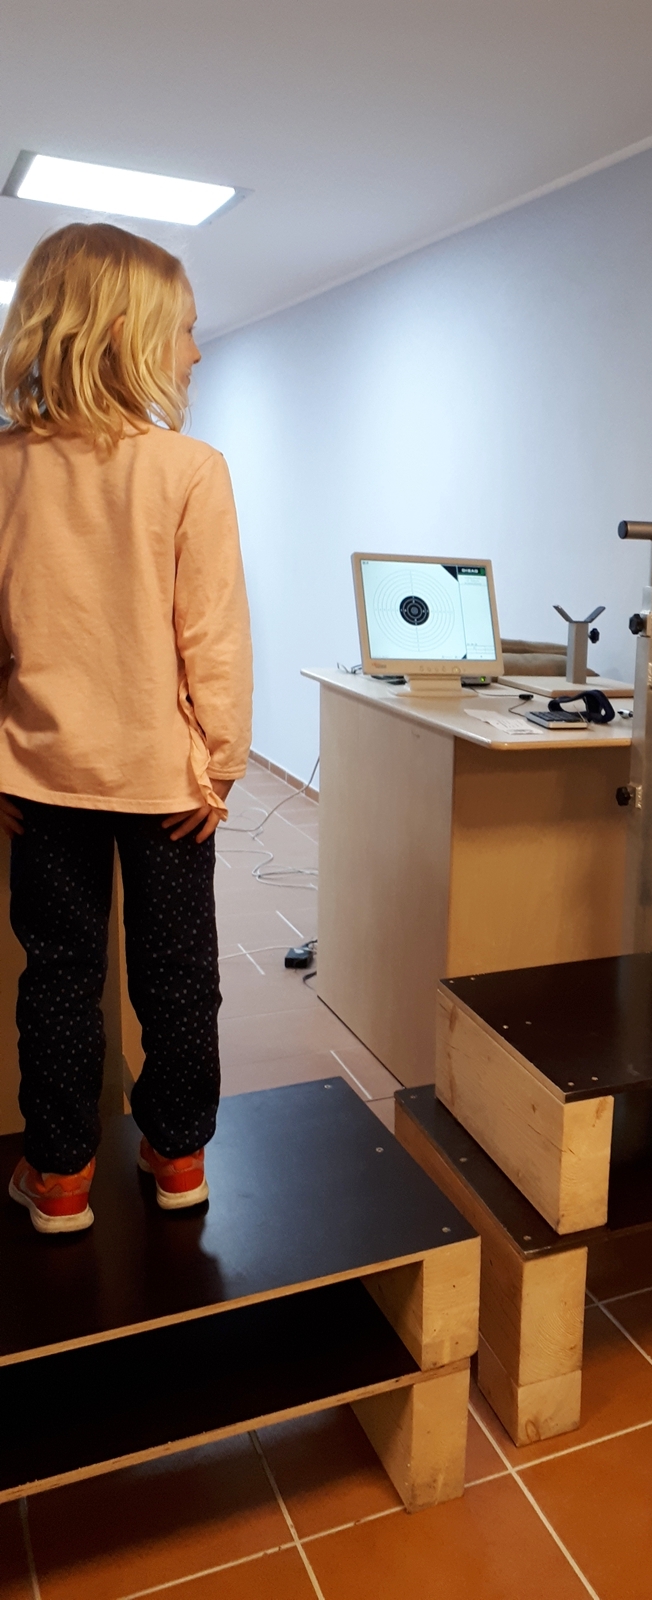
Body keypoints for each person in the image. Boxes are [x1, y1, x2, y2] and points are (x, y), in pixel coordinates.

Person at [0, 223, 252, 1234]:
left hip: (38, 778)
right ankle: (177, 1155)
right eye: (185, 330)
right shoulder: (189, 468)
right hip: (166, 788)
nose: (196, 351)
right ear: (122, 333)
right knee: (179, 977)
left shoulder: (6, 469)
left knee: (59, 977)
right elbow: (214, 637)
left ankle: (60, 1176)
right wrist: (220, 767)